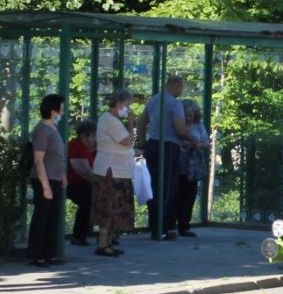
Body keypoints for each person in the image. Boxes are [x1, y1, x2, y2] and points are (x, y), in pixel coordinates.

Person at [137, 75, 192, 240]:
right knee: (167, 188)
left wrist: (142, 144)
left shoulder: (154, 100)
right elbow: (180, 129)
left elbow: (141, 123)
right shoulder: (175, 104)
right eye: (181, 87)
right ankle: (162, 228)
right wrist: (193, 139)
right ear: (177, 86)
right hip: (168, 147)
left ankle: (154, 225)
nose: (181, 91)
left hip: (152, 144)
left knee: (153, 186)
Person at [92, 89, 136, 257]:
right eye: (127, 105)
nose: (128, 109)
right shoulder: (109, 120)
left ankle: (109, 242)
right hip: (109, 171)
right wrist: (132, 123)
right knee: (108, 206)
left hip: (118, 171)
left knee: (116, 207)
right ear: (119, 104)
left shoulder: (113, 121)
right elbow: (128, 141)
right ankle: (103, 244)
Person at [27, 94, 67, 267]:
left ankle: (49, 254)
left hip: (55, 178)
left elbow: (57, 155)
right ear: (53, 111)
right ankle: (36, 255)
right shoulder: (42, 131)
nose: (63, 113)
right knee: (41, 217)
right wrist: (45, 186)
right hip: (44, 179)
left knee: (52, 217)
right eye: (61, 109)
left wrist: (62, 175)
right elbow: (38, 160)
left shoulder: (53, 129)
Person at [175, 101, 210, 237]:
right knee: (176, 196)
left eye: (191, 115)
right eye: (186, 115)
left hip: (193, 167)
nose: (188, 118)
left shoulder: (199, 126)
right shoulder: (177, 127)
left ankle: (185, 226)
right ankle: (172, 225)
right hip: (179, 166)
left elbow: (207, 143)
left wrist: (198, 145)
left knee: (190, 196)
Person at [66, 119, 97, 246]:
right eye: (93, 136)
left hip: (85, 183)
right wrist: (100, 182)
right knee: (88, 200)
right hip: (73, 184)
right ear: (84, 135)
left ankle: (106, 236)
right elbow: (83, 171)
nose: (95, 139)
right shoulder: (76, 146)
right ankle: (78, 236)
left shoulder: (90, 148)